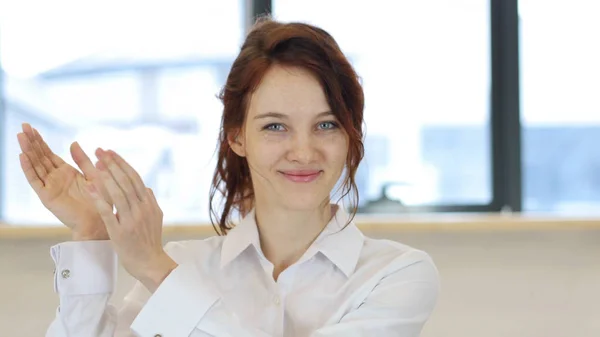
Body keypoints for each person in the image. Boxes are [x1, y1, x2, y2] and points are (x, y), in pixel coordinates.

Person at [17, 17, 439, 337]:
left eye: (326, 125)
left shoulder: (397, 274)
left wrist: (157, 271)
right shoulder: (184, 265)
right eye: (276, 126)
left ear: (350, 134)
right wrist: (92, 234)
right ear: (237, 137)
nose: (304, 151)